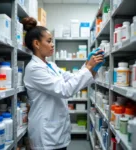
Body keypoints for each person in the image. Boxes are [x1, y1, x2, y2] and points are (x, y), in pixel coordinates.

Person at [23, 17, 104, 150]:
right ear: (37, 44)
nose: (53, 44)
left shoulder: (51, 65)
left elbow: (73, 77)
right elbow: (65, 90)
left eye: (53, 41)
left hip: (57, 130)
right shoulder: (34, 69)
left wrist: (92, 67)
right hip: (46, 134)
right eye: (49, 41)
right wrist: (88, 67)